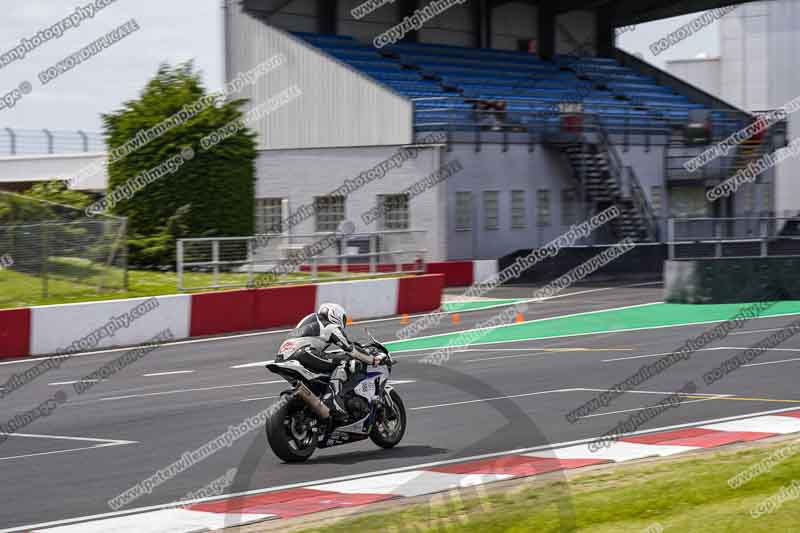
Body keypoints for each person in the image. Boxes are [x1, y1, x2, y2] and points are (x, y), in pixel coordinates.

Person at [290, 303, 384, 418]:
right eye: (343, 319)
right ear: (336, 315)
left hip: (286, 355)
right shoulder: (330, 326)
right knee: (347, 361)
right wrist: (371, 360)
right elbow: (350, 349)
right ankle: (332, 399)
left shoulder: (310, 322)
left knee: (328, 365)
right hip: (304, 353)